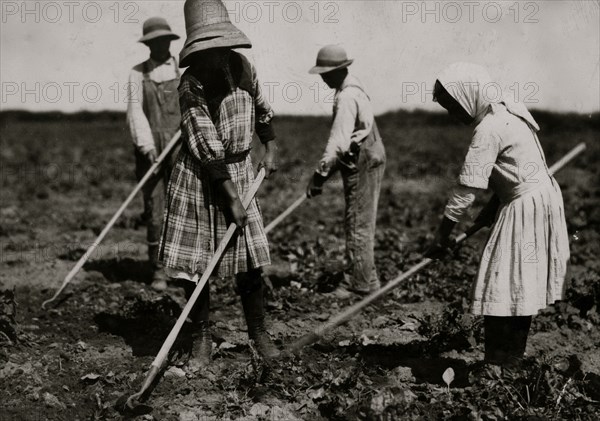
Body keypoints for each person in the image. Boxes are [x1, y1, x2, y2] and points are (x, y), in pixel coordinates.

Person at [158, 0, 279, 368]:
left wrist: (269, 148)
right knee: (198, 266)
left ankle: (258, 333)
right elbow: (203, 140)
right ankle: (202, 337)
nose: (216, 54)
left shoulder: (244, 67)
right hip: (201, 176)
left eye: (220, 45)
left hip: (241, 171)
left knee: (250, 261)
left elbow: (261, 108)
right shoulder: (191, 81)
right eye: (208, 47)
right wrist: (231, 198)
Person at [426, 62, 570, 370]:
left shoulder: (488, 129)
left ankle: (497, 364)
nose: (454, 115)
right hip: (535, 200)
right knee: (517, 284)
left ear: (468, 97)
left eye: (454, 107)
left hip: (525, 205)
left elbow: (466, 189)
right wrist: (492, 209)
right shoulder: (508, 112)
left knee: (501, 283)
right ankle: (509, 364)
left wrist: (443, 236)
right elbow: (514, 170)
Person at [306, 45, 386, 300]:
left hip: (362, 157)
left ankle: (357, 285)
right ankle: (367, 279)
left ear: (338, 71)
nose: (322, 77)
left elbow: (339, 142)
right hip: (365, 153)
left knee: (357, 222)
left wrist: (319, 175)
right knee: (360, 219)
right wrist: (325, 175)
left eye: (325, 73)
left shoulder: (347, 96)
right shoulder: (352, 88)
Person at [126, 17, 181, 291]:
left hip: (181, 148)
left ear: (170, 42)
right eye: (155, 42)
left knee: (184, 207)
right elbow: (136, 112)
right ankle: (158, 270)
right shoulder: (138, 73)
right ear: (148, 44)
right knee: (155, 210)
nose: (160, 47)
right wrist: (147, 147)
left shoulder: (182, 70)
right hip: (150, 151)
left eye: (164, 41)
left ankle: (182, 267)